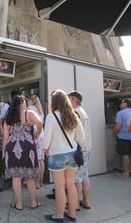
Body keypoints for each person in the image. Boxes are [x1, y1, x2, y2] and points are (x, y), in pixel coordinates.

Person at [43, 89, 85, 223]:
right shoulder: (73, 115)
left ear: (54, 102)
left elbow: (45, 142)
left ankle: (59, 215)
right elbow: (82, 138)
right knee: (71, 184)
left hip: (57, 155)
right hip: (72, 153)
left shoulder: (51, 116)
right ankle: (72, 214)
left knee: (60, 186)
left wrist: (45, 148)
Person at [2, 95, 43, 210]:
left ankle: (19, 204)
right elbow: (40, 123)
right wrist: (38, 134)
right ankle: (33, 203)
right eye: (24, 101)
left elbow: (5, 138)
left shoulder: (7, 118)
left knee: (16, 176)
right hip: (28, 146)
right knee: (30, 176)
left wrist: (3, 153)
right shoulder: (28, 113)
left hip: (12, 148)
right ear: (22, 103)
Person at [69, 90, 92, 210]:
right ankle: (86, 201)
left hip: (79, 149)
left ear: (74, 99)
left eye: (69, 98)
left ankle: (76, 204)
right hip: (87, 148)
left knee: (76, 178)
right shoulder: (83, 111)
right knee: (85, 176)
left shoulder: (75, 112)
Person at [114, 98, 131, 178]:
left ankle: (126, 172)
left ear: (125, 103)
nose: (120, 104)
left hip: (123, 137)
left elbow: (118, 126)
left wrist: (114, 133)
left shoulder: (120, 113)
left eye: (122, 102)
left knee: (125, 155)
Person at [27, 93, 45, 189]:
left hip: (34, 134)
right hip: (42, 135)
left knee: (36, 160)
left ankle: (36, 182)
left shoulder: (30, 109)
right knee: (41, 159)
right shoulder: (40, 110)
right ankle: (40, 181)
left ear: (30, 100)